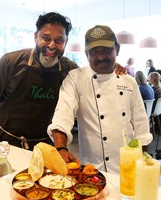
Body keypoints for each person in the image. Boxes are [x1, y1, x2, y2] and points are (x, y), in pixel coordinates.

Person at [47, 25, 152, 174]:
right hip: (91, 168)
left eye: (107, 50)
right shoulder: (75, 79)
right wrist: (61, 148)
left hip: (128, 166)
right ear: (86, 54)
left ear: (117, 49)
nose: (101, 57)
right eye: (94, 52)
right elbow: (63, 114)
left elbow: (141, 126)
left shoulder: (129, 82)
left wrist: (143, 163)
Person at [0, 12, 79, 150]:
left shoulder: (70, 69)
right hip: (7, 141)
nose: (51, 45)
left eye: (59, 40)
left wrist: (112, 67)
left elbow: (90, 80)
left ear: (66, 42)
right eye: (46, 38)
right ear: (35, 37)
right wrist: (8, 118)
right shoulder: (11, 61)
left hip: (45, 145)